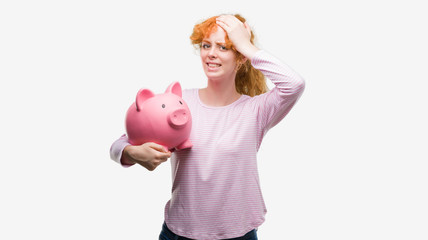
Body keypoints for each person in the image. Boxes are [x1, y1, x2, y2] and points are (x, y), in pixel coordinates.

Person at [110, 14, 305, 240]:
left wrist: (246, 46)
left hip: (238, 235)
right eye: (206, 45)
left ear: (240, 57)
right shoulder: (180, 102)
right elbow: (119, 145)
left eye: (223, 47)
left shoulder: (256, 110)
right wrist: (132, 153)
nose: (211, 53)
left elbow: (294, 83)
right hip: (178, 234)